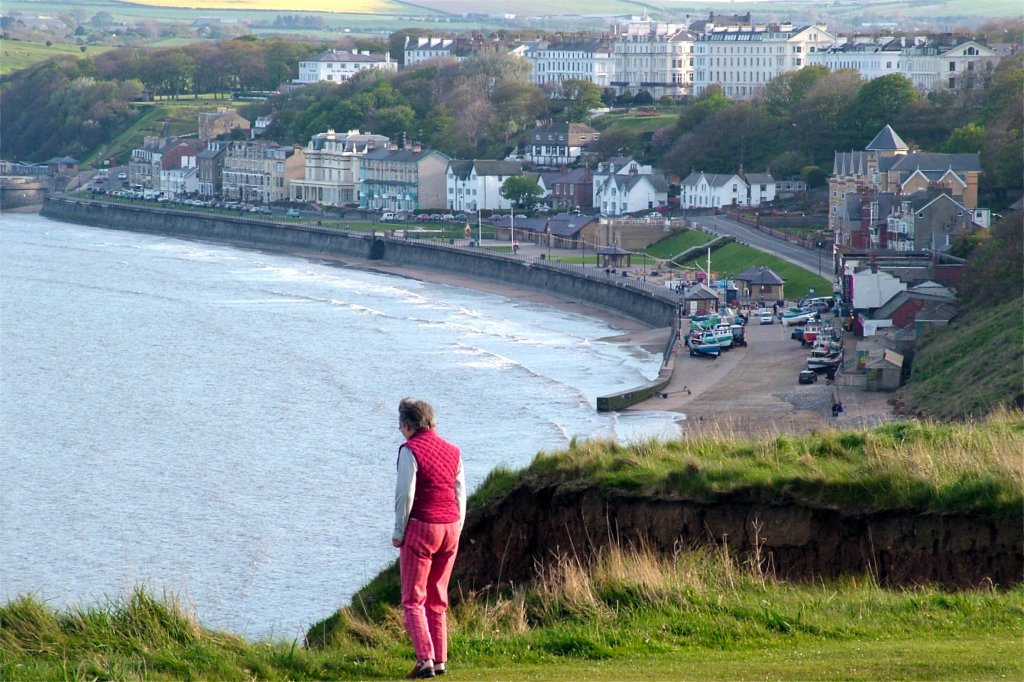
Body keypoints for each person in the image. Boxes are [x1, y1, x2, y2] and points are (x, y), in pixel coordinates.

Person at [393, 398, 467, 679]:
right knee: (438, 596)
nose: (400, 430)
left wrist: (399, 531)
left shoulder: (410, 450)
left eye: (400, 425)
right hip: (451, 527)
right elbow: (460, 493)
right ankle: (440, 660)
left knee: (413, 599)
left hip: (422, 527)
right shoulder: (453, 451)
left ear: (408, 425)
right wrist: (458, 526)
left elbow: (405, 495)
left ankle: (425, 658)